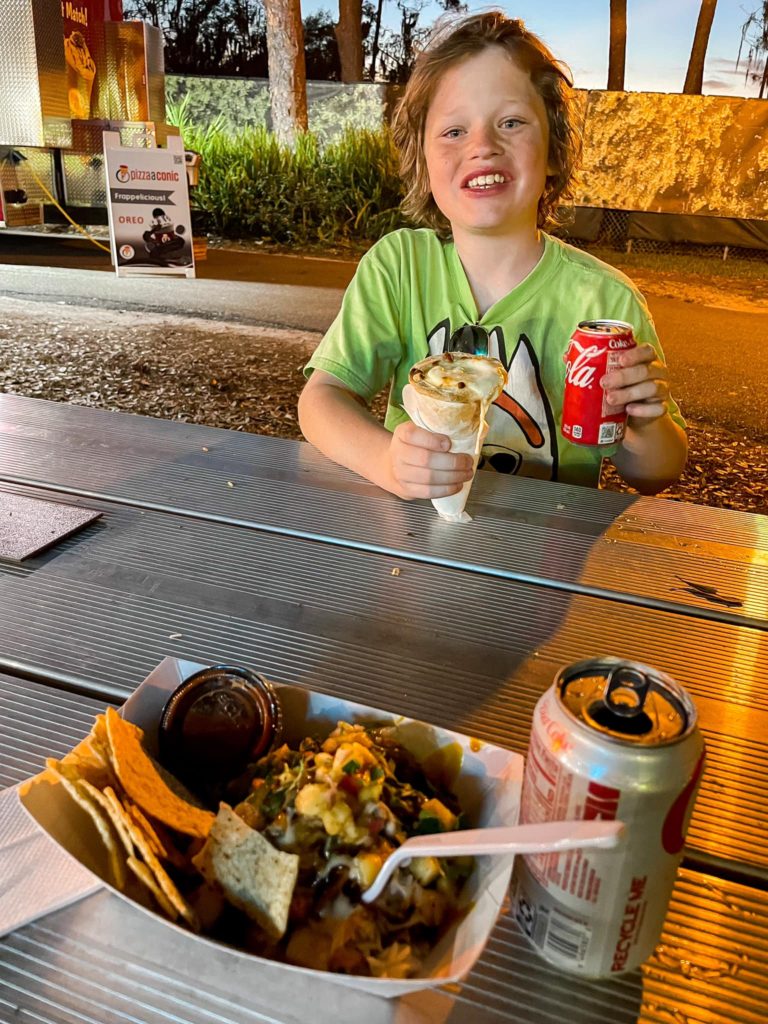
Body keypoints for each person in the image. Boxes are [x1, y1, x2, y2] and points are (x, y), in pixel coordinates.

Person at [298, 11, 687, 500]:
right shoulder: (398, 268)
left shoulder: (604, 300)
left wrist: (646, 427)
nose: (483, 146)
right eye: (454, 131)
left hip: (548, 552)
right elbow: (320, 399)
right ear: (422, 158)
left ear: (553, 152)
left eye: (511, 122)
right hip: (416, 542)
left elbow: (655, 473)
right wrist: (386, 462)